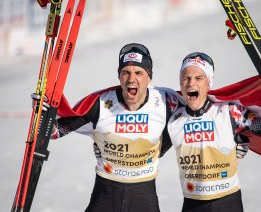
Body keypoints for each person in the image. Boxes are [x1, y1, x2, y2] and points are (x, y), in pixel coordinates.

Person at [49, 43, 183, 212]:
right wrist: (44, 112)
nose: (131, 79)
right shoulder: (99, 103)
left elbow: (192, 113)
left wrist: (158, 151)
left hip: (144, 196)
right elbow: (56, 131)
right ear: (119, 77)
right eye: (125, 72)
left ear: (149, 78)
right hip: (106, 194)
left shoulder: (165, 102)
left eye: (138, 73)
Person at [167, 52, 261, 212]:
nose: (191, 83)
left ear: (209, 83)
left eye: (199, 78)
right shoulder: (173, 119)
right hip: (193, 204)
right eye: (185, 78)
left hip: (228, 202)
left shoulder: (230, 113)